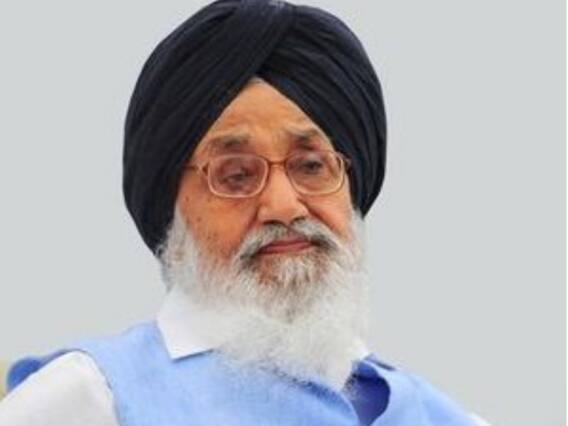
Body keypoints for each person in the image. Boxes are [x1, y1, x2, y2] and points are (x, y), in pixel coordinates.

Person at [0, 0, 491, 425]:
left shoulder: (441, 416)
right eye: (236, 175)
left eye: (311, 166)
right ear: (172, 209)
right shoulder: (93, 397)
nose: (284, 206)